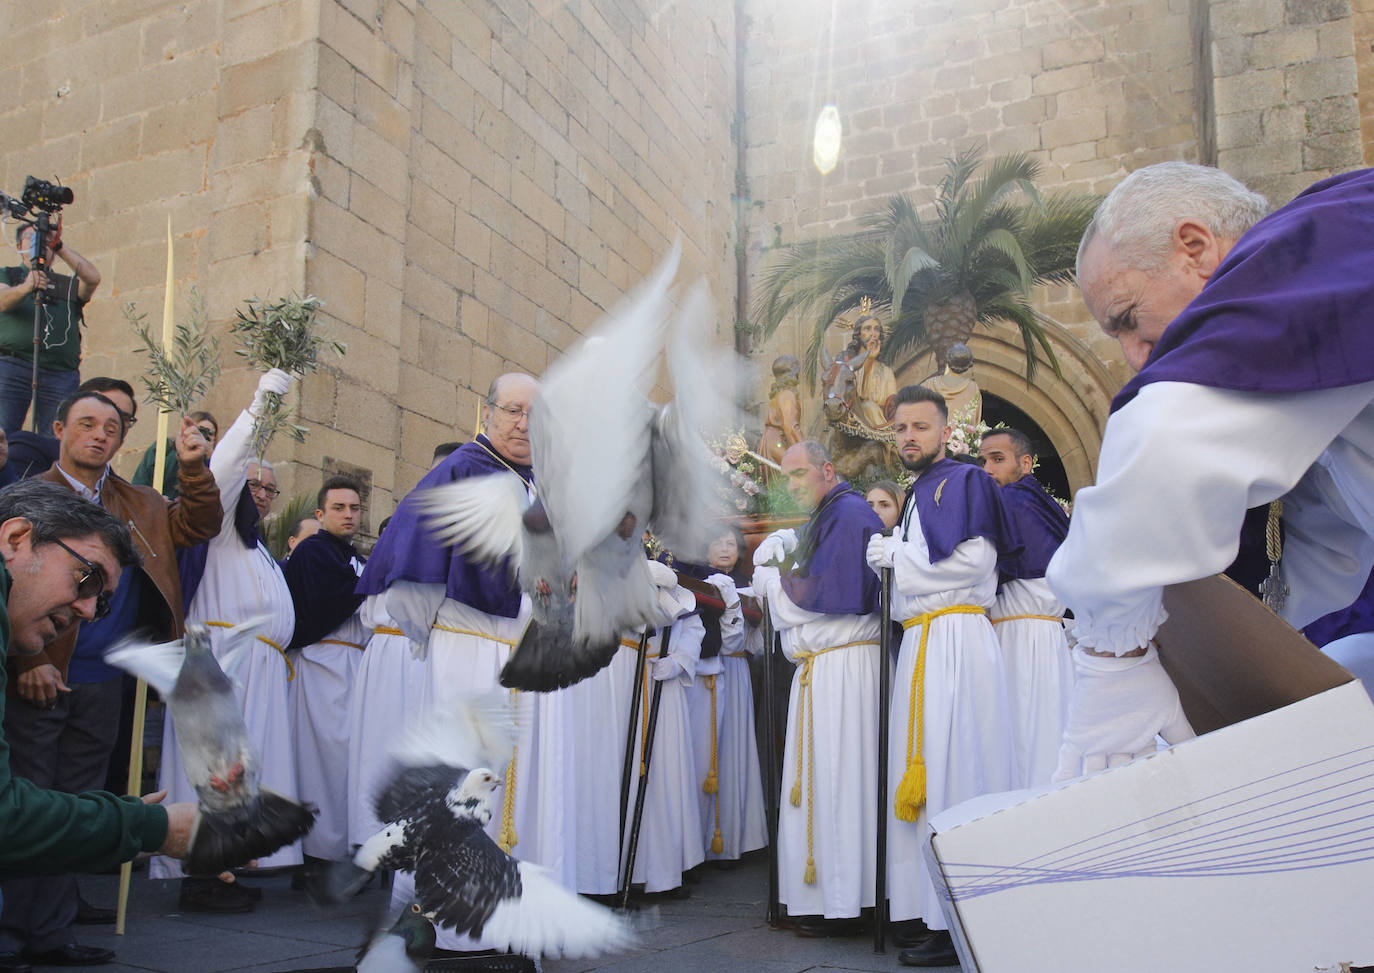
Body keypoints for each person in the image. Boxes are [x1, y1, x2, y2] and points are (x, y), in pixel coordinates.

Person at [1044, 162, 1374, 782]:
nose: (1134, 356)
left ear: (1195, 248)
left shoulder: (1327, 234)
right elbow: (1327, 552)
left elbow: (1167, 432)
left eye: (1128, 318)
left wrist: (1111, 657)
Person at [2, 390, 217, 967]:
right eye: (86, 423)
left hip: (105, 679)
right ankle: (10, 930)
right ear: (57, 428)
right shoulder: (29, 497)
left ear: (124, 441)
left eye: (113, 427)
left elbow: (198, 523)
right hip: (43, 672)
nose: (99, 435)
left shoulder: (139, 502)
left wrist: (193, 467)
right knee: (28, 797)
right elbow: (17, 593)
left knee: (76, 796)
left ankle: (50, 929)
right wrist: (29, 660)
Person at [354, 373, 564, 955]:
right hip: (472, 652)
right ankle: (450, 926)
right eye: (514, 411)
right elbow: (410, 566)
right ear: (488, 412)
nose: (524, 424)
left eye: (535, 415)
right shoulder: (463, 469)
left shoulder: (529, 482)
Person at [865, 385, 1020, 968]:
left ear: (944, 430)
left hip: (955, 638)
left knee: (959, 768)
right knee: (926, 768)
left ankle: (961, 919)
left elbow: (976, 564)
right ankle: (929, 910)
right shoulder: (915, 494)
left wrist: (897, 559)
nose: (909, 437)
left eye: (921, 427)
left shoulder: (965, 481)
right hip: (924, 641)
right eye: (901, 428)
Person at [150, 370, 298, 912]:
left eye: (268, 490)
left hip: (253, 670)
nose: (258, 495)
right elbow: (227, 465)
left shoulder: (254, 546)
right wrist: (264, 401)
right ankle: (203, 877)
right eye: (252, 486)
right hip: (220, 663)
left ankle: (229, 868)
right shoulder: (214, 529)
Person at [750, 440, 884, 938]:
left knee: (837, 778)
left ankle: (844, 903)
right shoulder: (833, 514)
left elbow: (824, 600)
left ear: (828, 470)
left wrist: (770, 587)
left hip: (844, 670)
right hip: (827, 669)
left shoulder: (847, 515)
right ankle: (830, 896)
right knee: (827, 779)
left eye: (800, 474)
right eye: (786, 478)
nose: (793, 485)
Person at [980, 427, 1073, 787]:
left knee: (1020, 733)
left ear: (1026, 463)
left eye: (997, 459)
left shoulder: (1013, 502)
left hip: (1019, 635)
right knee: (1048, 729)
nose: (987, 469)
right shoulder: (1043, 505)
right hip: (1046, 633)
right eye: (983, 460)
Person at [282, 475, 367, 867]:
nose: (348, 515)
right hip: (321, 663)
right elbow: (325, 601)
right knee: (320, 762)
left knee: (346, 762)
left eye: (354, 508)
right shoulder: (314, 552)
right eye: (338, 508)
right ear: (320, 513)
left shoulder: (357, 558)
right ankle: (316, 854)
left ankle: (340, 849)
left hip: (352, 665)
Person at [695, 524, 766, 864]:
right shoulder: (693, 584)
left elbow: (752, 641)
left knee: (735, 749)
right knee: (708, 750)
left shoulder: (746, 586)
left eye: (731, 543)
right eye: (717, 541)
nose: (725, 548)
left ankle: (737, 836)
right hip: (704, 673)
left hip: (736, 671)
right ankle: (704, 839)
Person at [0, 223, 101, 432]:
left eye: (46, 241)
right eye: (33, 238)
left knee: (55, 440)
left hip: (60, 372)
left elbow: (93, 278)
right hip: (13, 365)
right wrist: (26, 287)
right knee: (3, 431)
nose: (41, 244)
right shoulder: (8, 275)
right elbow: (2, 300)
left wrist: (60, 246)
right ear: (19, 245)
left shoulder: (64, 284)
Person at [132, 411, 218, 498]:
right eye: (201, 431)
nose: (206, 437)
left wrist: (211, 457)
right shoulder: (165, 449)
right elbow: (141, 482)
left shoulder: (215, 463)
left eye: (210, 434)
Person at [849, 315, 897, 431]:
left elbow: (892, 407)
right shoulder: (848, 367)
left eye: (876, 329)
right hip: (854, 425)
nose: (873, 334)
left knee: (870, 407)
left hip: (881, 427)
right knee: (868, 406)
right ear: (858, 335)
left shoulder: (886, 372)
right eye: (867, 329)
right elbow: (860, 396)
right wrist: (868, 359)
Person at [758, 356, 804, 465]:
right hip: (777, 443)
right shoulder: (787, 395)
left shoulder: (779, 395)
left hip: (771, 442)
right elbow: (791, 427)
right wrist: (807, 451)